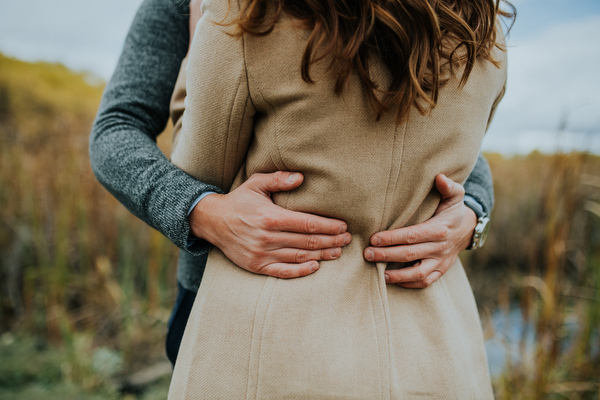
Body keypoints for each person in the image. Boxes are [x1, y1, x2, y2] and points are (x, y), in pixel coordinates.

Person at [89, 0, 495, 370]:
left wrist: (471, 214)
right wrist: (202, 211)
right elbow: (115, 129)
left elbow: (454, 137)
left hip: (408, 322)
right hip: (231, 299)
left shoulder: (436, 14)